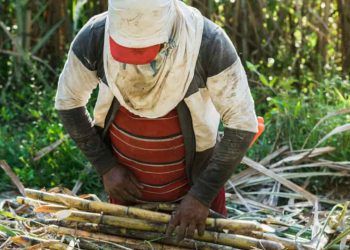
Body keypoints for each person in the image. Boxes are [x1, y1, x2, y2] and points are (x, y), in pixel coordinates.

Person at [55, 0, 258, 241]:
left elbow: (243, 124)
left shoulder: (207, 43)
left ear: (167, 39)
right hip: (126, 195)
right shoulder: (95, 36)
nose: (133, 63)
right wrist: (106, 166)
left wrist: (201, 196)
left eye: (142, 53)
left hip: (196, 194)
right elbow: (68, 102)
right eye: (126, 52)